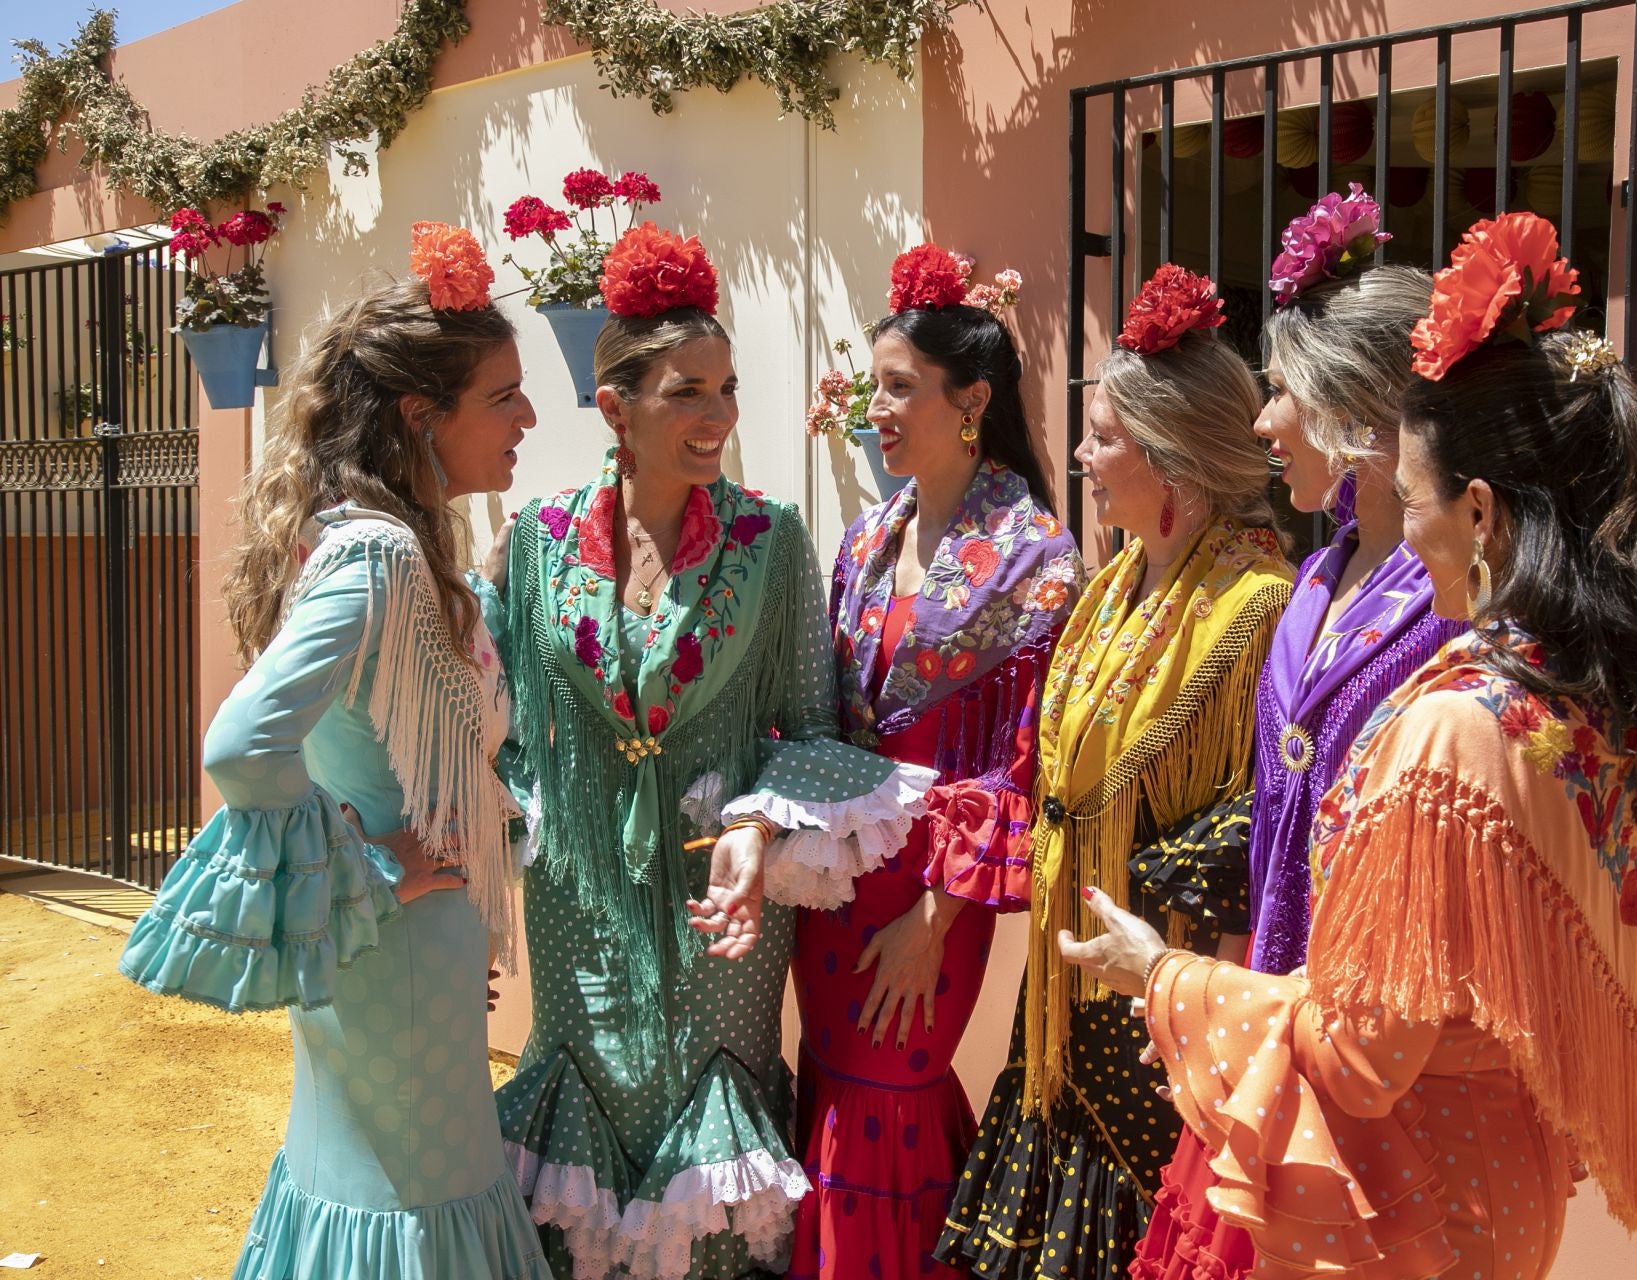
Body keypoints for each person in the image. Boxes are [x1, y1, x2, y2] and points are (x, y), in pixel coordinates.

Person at [1063, 213, 1637, 1279]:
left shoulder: (1456, 722)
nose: (1410, 529)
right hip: (1494, 1171)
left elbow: (1358, 1050)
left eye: (1416, 495)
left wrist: (1167, 977)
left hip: (1393, 1189)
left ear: (1476, 508)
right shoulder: (1604, 702)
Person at [481, 223, 931, 1280]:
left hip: (723, 902)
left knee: (712, 1124)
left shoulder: (772, 543)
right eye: (689, 392)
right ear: (615, 409)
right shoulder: (533, 542)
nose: (719, 416)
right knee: (581, 1114)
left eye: (726, 390)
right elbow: (496, 720)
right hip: (577, 896)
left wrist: (755, 823)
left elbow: (813, 734)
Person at [120, 225, 550, 1278]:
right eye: (502, 395)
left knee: (368, 1191)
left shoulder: (394, 542)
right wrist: (370, 872)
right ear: (420, 412)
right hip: (389, 966)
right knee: (413, 1206)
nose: (530, 417)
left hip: (404, 966)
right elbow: (243, 744)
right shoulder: (381, 553)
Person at [1130, 190, 1463, 1280]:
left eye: (1281, 391)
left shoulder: (1448, 600)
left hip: (1379, 1057)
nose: (1266, 422)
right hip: (1269, 1013)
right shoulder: (1315, 579)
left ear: (1361, 413)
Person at [936, 264, 1293, 1280]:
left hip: (1156, 1021)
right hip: (1064, 1002)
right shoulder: (1112, 585)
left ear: (1174, 460)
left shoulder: (1255, 605)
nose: (1083, 456)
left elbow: (1263, 821)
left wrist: (1153, 880)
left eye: (1105, 437)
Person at [789, 245, 1083, 1280]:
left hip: (931, 896)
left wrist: (939, 915)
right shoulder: (870, 533)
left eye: (898, 387)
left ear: (973, 400)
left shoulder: (1036, 558)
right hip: (836, 881)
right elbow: (829, 711)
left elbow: (1026, 760)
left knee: (890, 1092)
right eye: (874, 384)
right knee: (829, 1077)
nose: (876, 406)